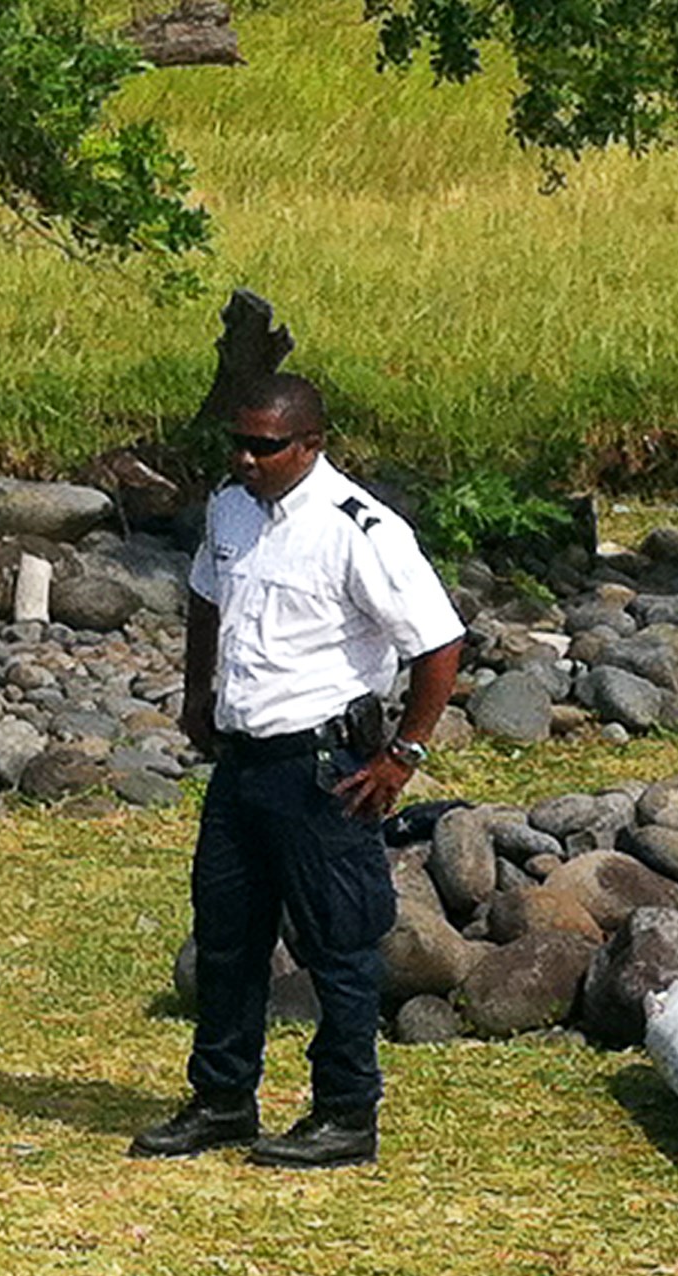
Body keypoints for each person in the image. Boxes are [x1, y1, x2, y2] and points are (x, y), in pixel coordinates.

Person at [131, 373, 464, 1170]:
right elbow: (207, 596)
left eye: (264, 446)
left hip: (322, 765)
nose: (245, 458)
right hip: (243, 763)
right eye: (236, 443)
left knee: (339, 945)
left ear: (311, 445)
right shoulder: (230, 507)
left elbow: (438, 644)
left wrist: (403, 754)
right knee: (226, 938)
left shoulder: (361, 529)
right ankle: (222, 1098)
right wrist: (198, 690)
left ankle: (345, 1110)